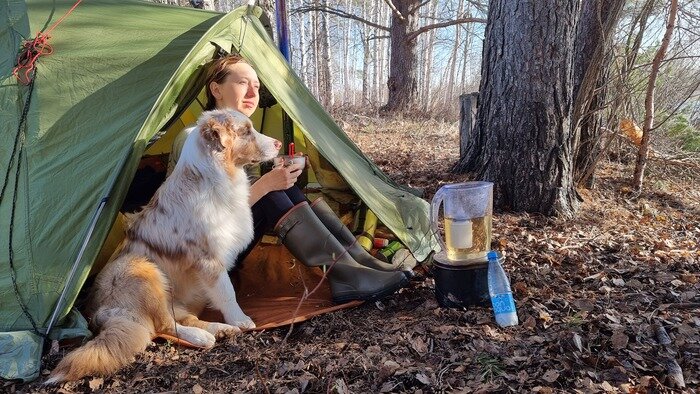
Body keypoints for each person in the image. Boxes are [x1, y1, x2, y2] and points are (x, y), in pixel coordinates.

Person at [168, 54, 408, 303]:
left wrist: (278, 175)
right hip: (195, 264)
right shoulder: (196, 137)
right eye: (242, 83)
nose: (253, 93)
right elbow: (204, 219)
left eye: (257, 86)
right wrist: (267, 185)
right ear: (216, 89)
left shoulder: (239, 140)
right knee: (271, 190)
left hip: (223, 249)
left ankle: (359, 261)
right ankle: (347, 275)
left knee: (281, 188)